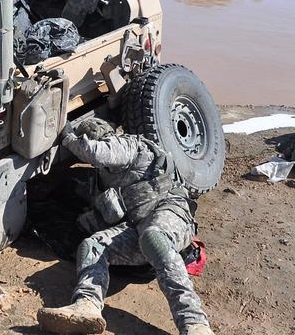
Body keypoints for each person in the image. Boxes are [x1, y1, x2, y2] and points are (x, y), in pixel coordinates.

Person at [37, 118, 214, 335]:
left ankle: (195, 324)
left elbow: (96, 152)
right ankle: (87, 306)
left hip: (169, 211)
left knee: (154, 238)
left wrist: (68, 138)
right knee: (93, 245)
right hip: (136, 226)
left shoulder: (129, 145)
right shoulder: (102, 177)